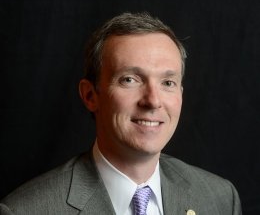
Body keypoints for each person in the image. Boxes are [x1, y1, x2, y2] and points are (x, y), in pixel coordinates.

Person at [0, 12, 242, 215]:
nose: (153, 101)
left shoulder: (220, 199)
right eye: (130, 79)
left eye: (167, 83)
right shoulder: (25, 210)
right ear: (90, 95)